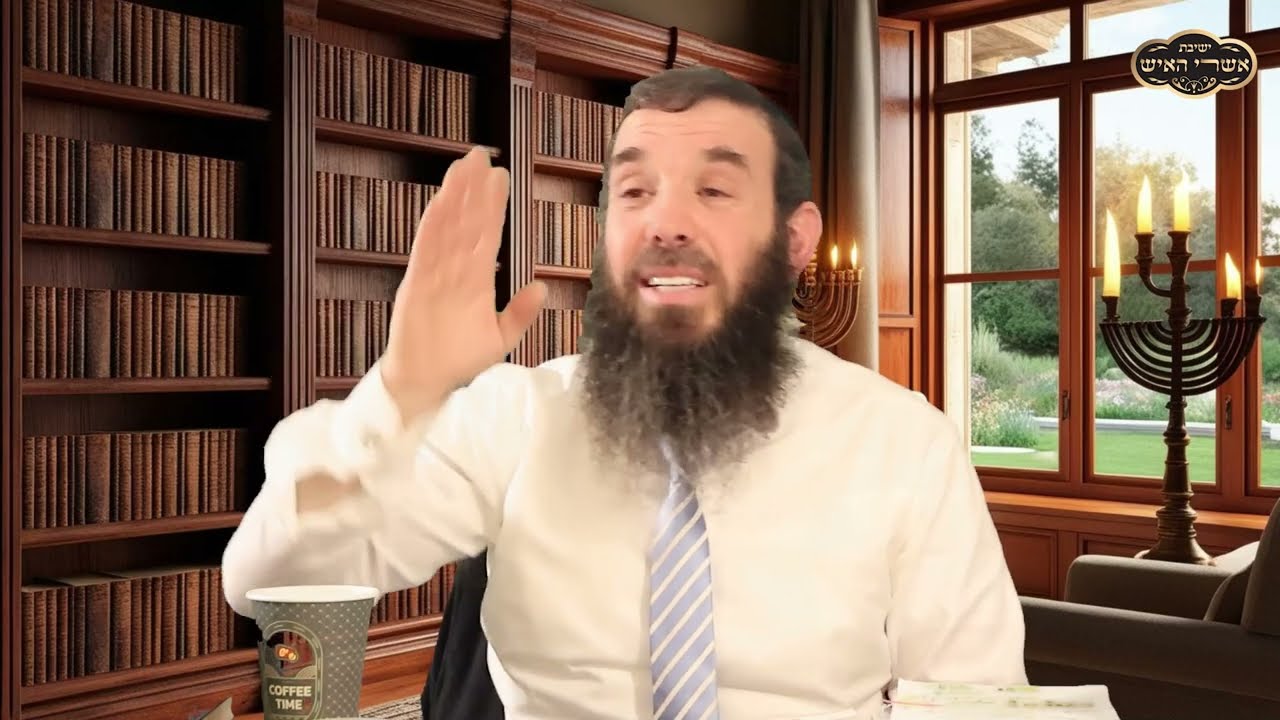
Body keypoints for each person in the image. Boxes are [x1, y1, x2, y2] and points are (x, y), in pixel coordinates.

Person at [221, 65, 1026, 719]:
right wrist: (399, 395)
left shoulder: (903, 442)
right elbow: (266, 584)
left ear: (794, 240)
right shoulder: (514, 415)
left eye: (714, 190)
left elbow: (976, 701)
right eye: (635, 192)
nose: (665, 222)